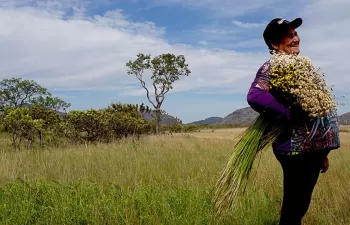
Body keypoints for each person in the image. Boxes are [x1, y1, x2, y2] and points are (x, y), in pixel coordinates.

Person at [246, 18, 341, 225]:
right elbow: (255, 95)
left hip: (311, 151)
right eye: (289, 36)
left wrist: (322, 154)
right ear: (275, 44)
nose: (296, 38)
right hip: (296, 149)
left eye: (295, 33)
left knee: (300, 205)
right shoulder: (274, 65)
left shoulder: (298, 64)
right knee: (294, 207)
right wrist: (288, 114)